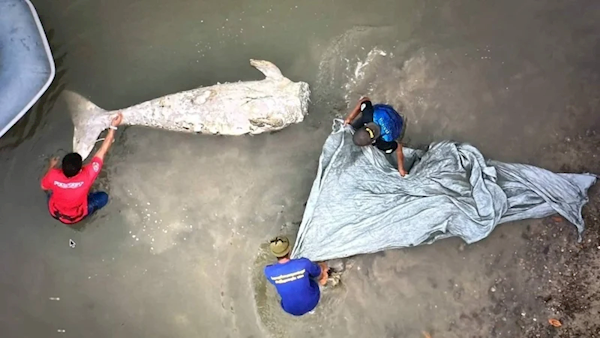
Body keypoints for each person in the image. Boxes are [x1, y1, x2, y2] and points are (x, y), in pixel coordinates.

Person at [41, 113, 123, 225]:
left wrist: (51, 166)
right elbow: (103, 150)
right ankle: (87, 213)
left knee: (49, 189)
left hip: (55, 211)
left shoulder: (53, 174)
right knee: (103, 197)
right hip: (75, 216)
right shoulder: (87, 176)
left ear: (62, 167)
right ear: (80, 170)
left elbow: (43, 187)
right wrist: (113, 127)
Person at [263, 236, 329, 316]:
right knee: (319, 272)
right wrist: (322, 266)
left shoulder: (269, 271)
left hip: (289, 309)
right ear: (289, 249)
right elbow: (318, 272)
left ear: (274, 253)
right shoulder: (303, 263)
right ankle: (323, 284)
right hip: (312, 302)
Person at [344, 97, 408, 176]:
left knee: (389, 150)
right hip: (386, 111)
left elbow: (398, 146)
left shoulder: (385, 141)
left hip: (398, 122)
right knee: (354, 125)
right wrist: (349, 119)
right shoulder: (368, 116)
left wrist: (400, 167)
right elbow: (365, 100)